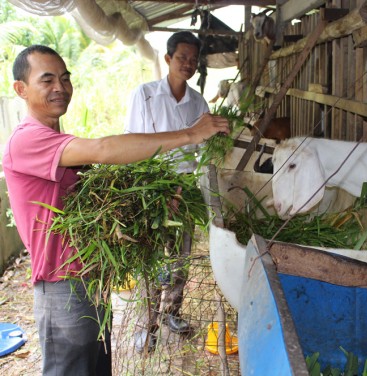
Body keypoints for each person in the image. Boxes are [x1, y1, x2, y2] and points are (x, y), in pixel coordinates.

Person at [2, 44, 229, 375]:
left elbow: (96, 204)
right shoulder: (28, 140)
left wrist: (148, 204)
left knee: (96, 367)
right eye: (47, 80)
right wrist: (191, 134)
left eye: (65, 79)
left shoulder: (58, 140)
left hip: (90, 278)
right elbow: (104, 149)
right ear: (20, 89)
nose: (60, 88)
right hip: (62, 283)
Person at [124, 31, 210, 352]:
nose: (188, 64)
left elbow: (202, 152)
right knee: (148, 258)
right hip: (151, 189)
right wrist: (162, 189)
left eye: (193, 60)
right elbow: (134, 145)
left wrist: (182, 189)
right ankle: (147, 324)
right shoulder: (145, 95)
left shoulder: (198, 102)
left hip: (184, 191)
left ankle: (172, 312)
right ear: (168, 59)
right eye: (182, 58)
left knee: (180, 258)